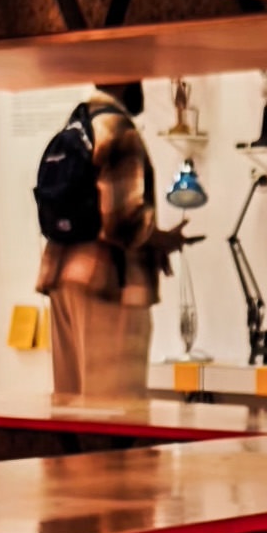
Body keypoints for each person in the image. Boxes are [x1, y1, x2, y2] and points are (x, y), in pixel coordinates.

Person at [34, 84, 180, 401]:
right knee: (114, 409)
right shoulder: (118, 128)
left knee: (70, 406)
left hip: (62, 279)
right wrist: (160, 239)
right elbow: (123, 221)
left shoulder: (80, 120)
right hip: (108, 286)